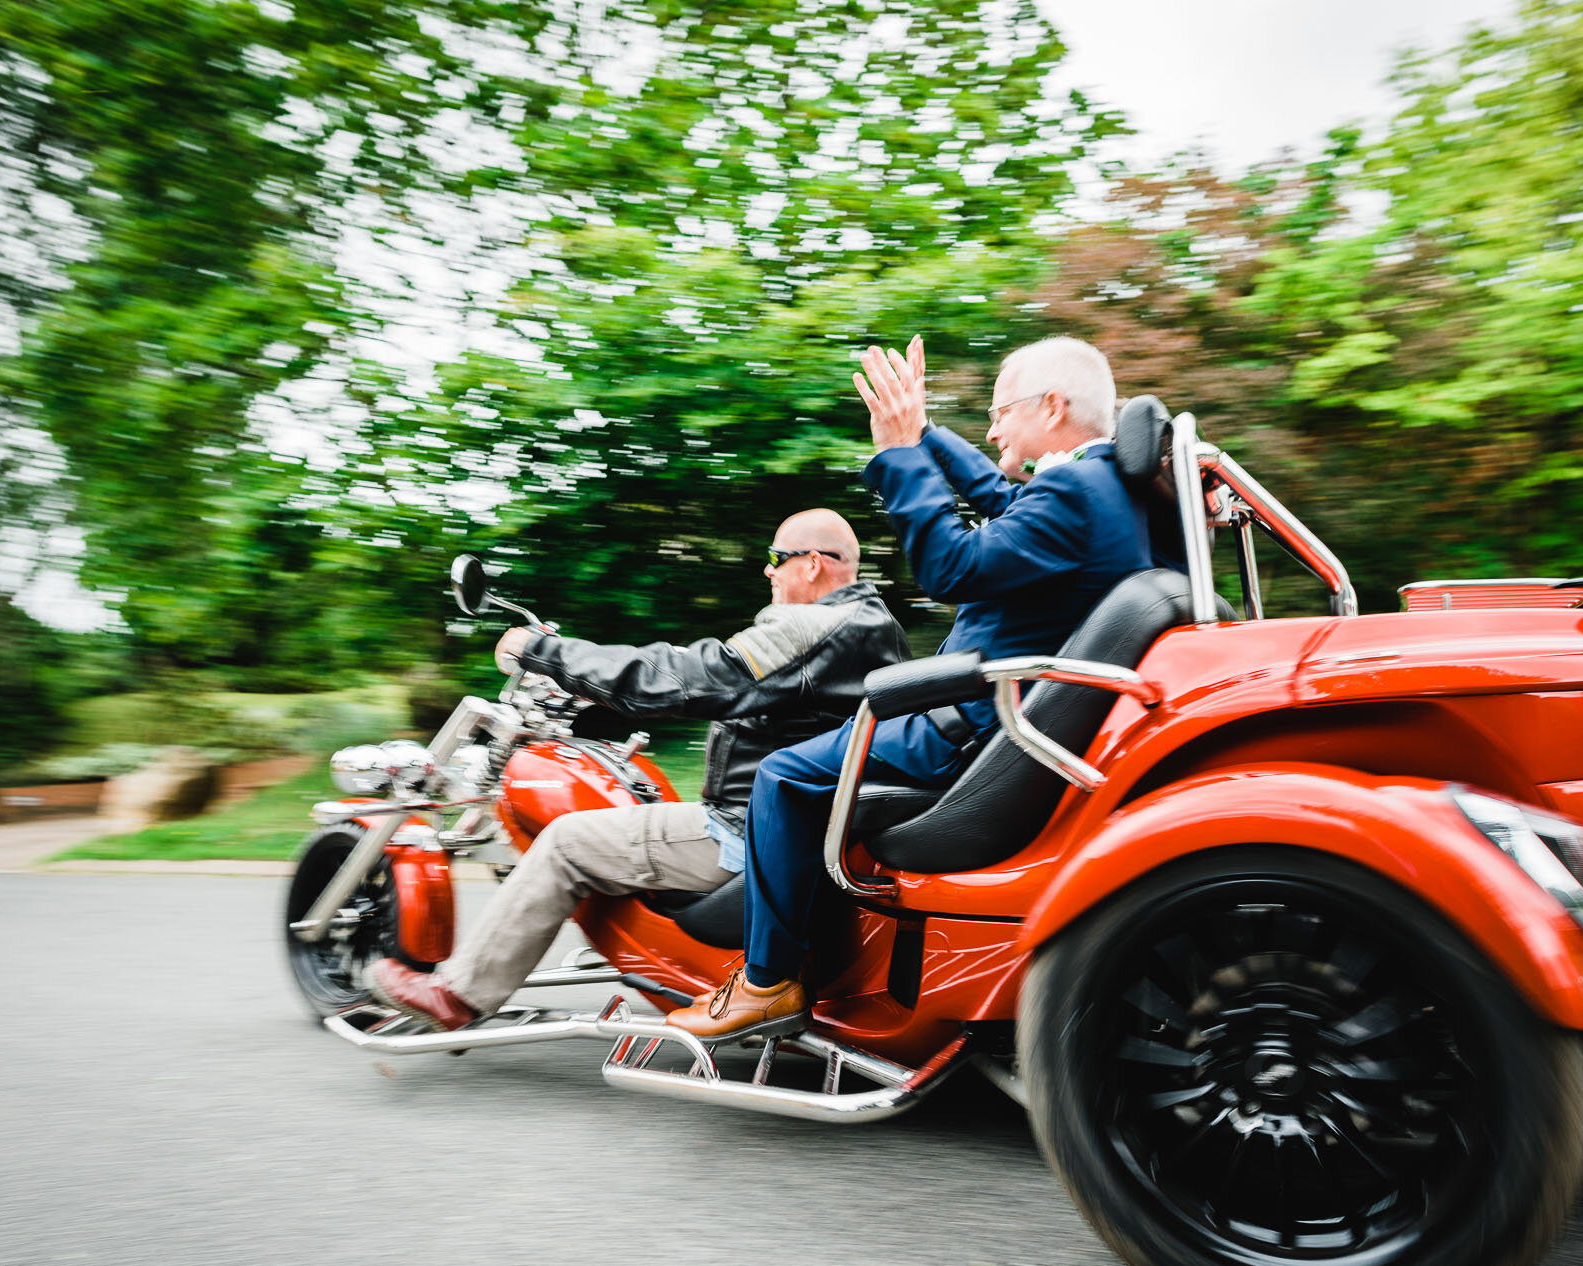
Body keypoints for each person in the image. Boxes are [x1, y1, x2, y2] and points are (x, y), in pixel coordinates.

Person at [666, 335, 1156, 1041]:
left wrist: (899, 452)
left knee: (783, 774)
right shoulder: (1105, 486)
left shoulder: (1075, 490)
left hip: (967, 724)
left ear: (1052, 407)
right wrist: (922, 431)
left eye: (1000, 413)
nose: (990, 431)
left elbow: (950, 566)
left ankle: (767, 980)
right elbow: (998, 495)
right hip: (1011, 715)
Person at [366, 509, 909, 1030]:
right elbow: (760, 699)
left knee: (566, 840)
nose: (767, 568)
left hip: (746, 829)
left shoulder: (816, 623)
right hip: (809, 825)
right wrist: (601, 697)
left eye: (776, 556)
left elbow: (695, 676)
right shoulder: (873, 624)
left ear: (812, 563)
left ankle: (460, 992)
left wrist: (547, 653)